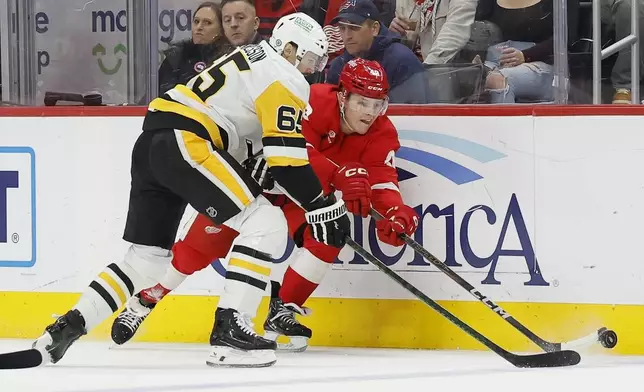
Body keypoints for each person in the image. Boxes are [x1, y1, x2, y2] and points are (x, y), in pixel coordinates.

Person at [30, 12, 347, 369]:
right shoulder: (283, 75)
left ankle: (67, 327)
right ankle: (231, 331)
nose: (310, 69)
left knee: (146, 261)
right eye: (308, 59)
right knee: (267, 223)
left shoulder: (250, 59)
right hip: (188, 141)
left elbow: (254, 143)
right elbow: (287, 160)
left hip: (153, 142)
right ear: (289, 49)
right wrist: (320, 204)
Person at [110, 59, 420, 353]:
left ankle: (282, 308)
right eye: (362, 103)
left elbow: (382, 179)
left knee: (331, 231)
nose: (370, 113)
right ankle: (147, 299)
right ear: (342, 96)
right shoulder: (309, 100)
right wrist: (337, 174)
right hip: (257, 184)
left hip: (303, 197)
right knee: (196, 251)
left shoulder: (381, 131)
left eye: (378, 104)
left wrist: (394, 211)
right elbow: (290, 152)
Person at [325, 0, 429, 104]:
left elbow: (416, 114)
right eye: (342, 28)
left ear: (374, 28)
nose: (347, 36)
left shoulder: (402, 61)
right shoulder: (338, 66)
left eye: (354, 27)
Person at [158, 2, 232, 95]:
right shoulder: (175, 58)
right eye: (196, 21)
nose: (199, 27)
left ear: (221, 29)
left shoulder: (228, 59)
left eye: (208, 23)